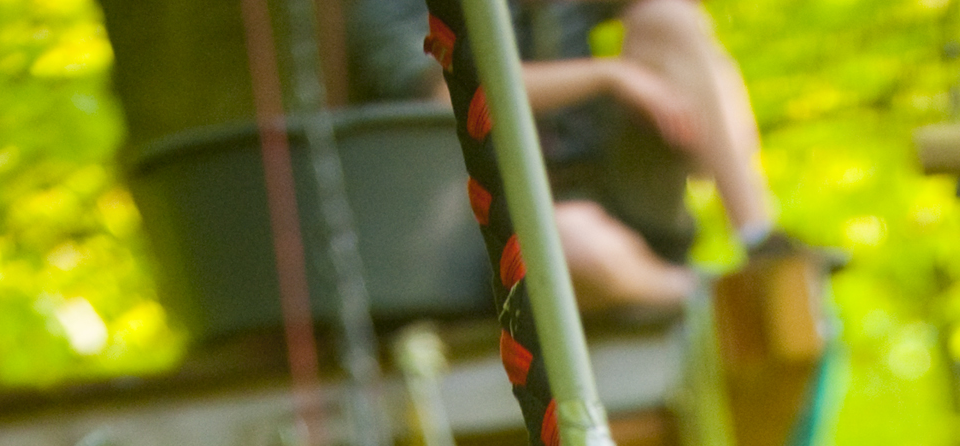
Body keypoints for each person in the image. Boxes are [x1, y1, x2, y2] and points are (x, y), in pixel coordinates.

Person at [348, 0, 816, 317]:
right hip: (497, 221)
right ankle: (697, 295)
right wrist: (608, 76)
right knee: (569, 246)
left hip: (615, 179)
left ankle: (760, 241)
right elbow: (443, 93)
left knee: (667, 17)